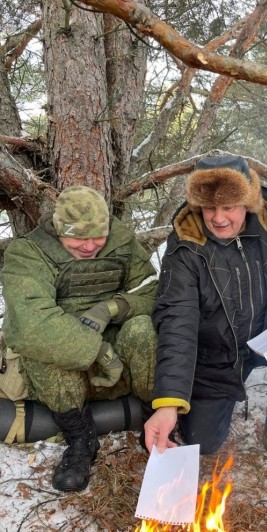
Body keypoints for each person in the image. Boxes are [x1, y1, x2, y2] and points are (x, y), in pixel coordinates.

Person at [143, 153, 267, 481]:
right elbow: (178, 322)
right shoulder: (186, 245)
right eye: (209, 208)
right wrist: (168, 403)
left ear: (247, 203)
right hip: (215, 355)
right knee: (202, 442)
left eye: (228, 207)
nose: (218, 219)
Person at [1, 185, 158, 493]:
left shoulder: (121, 241)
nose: (89, 247)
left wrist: (113, 307)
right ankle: (80, 438)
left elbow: (152, 289)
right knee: (42, 348)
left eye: (97, 237)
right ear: (59, 229)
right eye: (77, 237)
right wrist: (99, 351)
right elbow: (33, 324)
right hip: (67, 373)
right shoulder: (28, 253)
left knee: (144, 329)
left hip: (121, 362)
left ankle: (156, 418)